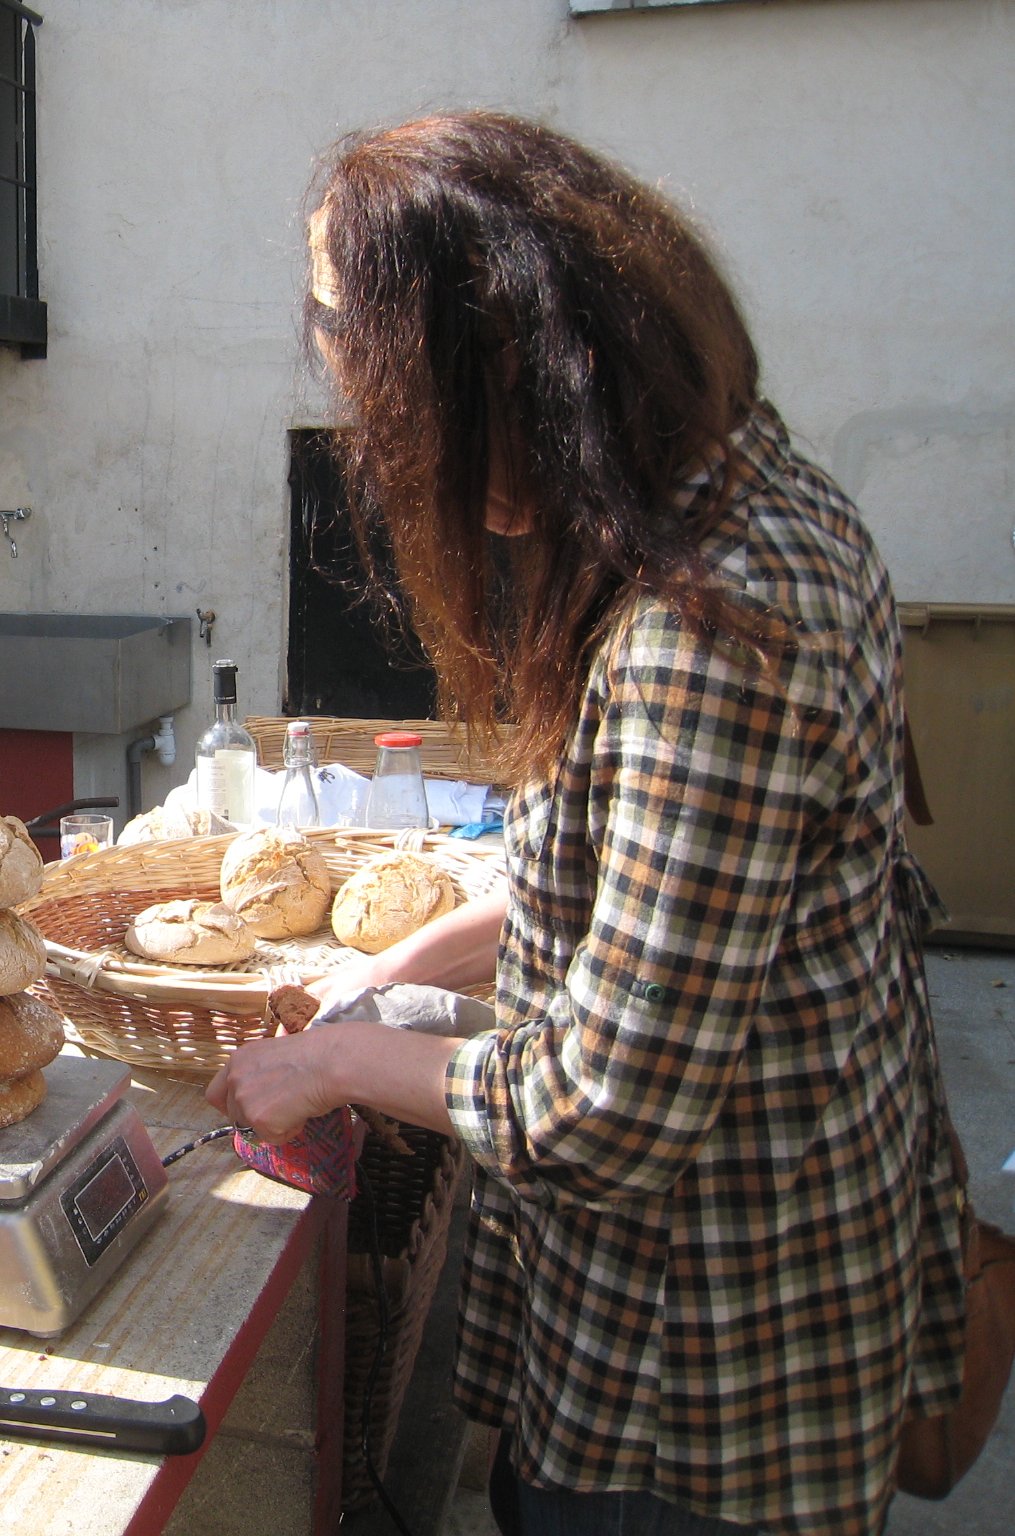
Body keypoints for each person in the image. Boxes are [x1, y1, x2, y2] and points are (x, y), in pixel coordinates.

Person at [209, 113, 965, 1536]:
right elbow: (644, 885)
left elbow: (607, 1110)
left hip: (708, 1383)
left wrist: (333, 1062)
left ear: (514, 370)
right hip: (704, 1302)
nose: (363, 414)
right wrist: (403, 964)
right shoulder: (722, 492)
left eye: (362, 358)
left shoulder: (707, 628)